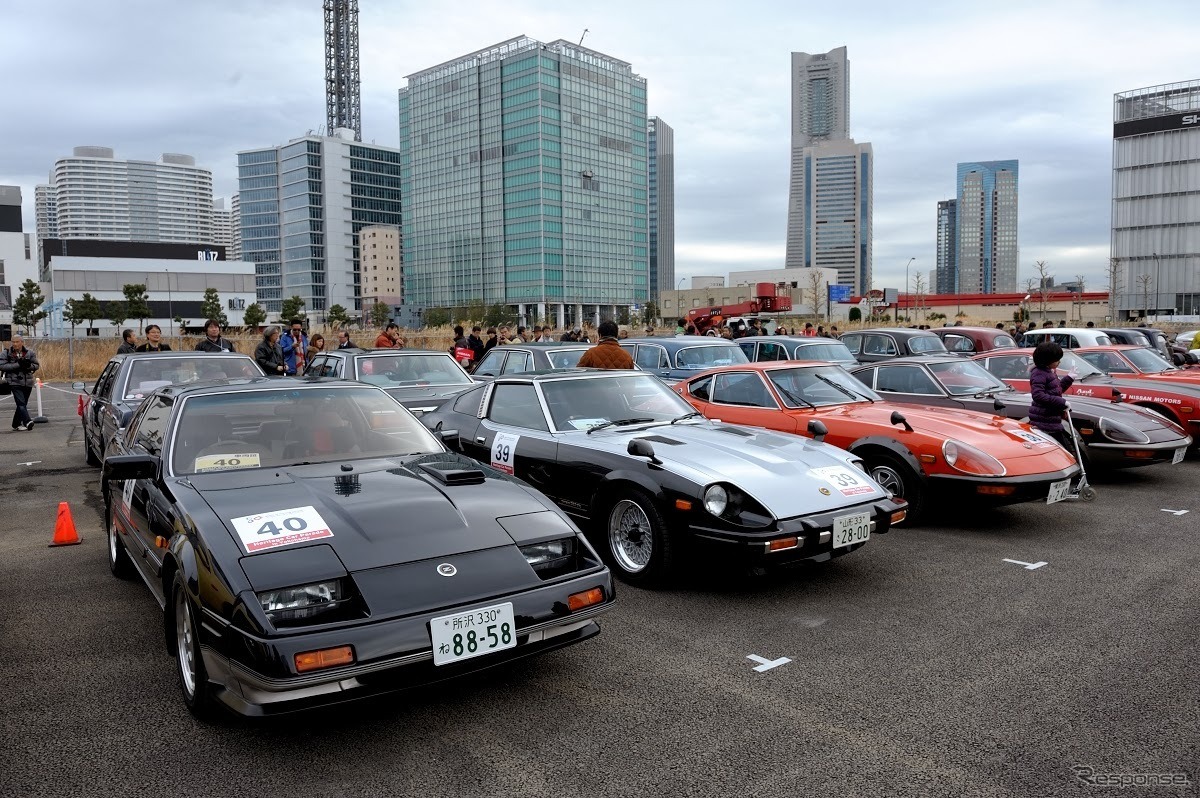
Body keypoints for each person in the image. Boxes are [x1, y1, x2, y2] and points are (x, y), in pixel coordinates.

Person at [1028, 341, 1077, 449]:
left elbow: (1056, 390)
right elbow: (1038, 395)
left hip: (1052, 419)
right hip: (1044, 421)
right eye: (1056, 359)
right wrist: (1062, 402)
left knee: (1063, 449)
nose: (1059, 362)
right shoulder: (1039, 373)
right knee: (1062, 450)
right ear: (1047, 360)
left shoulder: (1050, 372)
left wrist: (1069, 378)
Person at [1, 334, 39, 431]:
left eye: (17, 342)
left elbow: (36, 365)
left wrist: (28, 366)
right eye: (13, 342)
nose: (15, 344)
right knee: (21, 402)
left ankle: (16, 424)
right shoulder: (6, 353)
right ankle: (27, 421)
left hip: (28, 381)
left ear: (22, 342)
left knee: (23, 404)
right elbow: (2, 366)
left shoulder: (30, 353)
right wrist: (18, 365)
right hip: (14, 381)